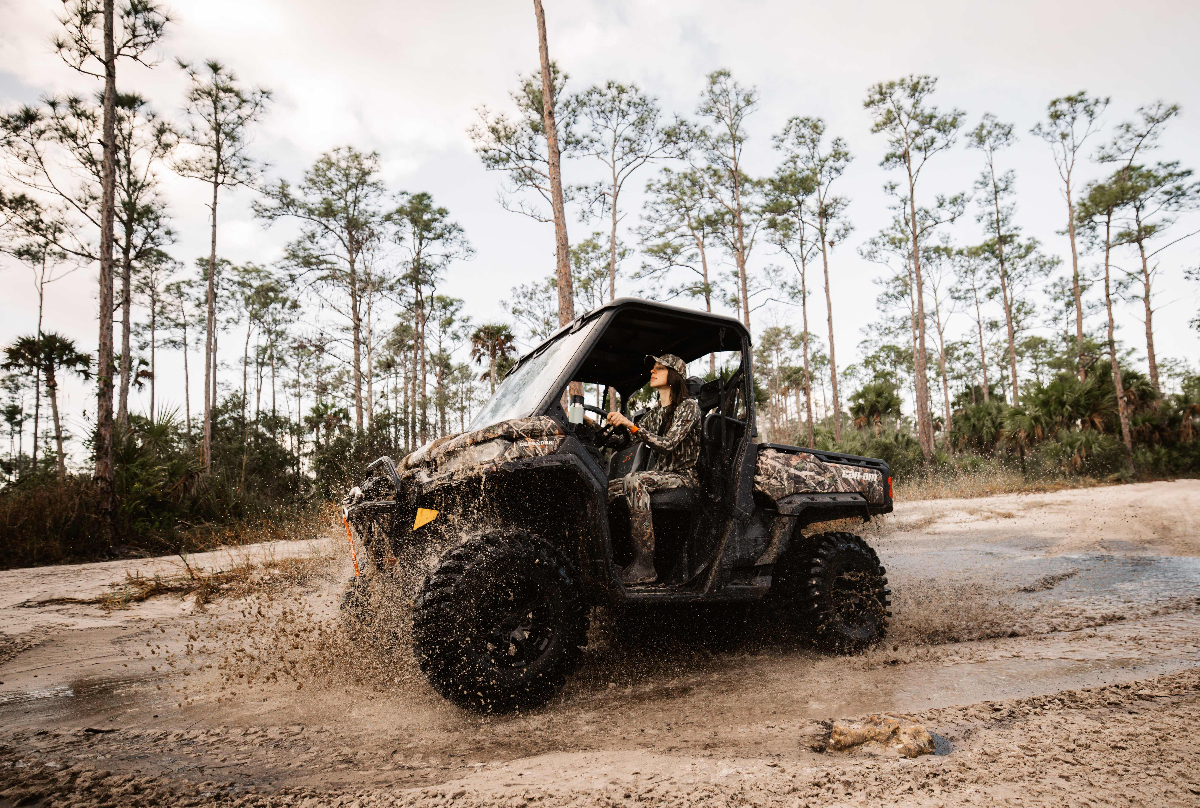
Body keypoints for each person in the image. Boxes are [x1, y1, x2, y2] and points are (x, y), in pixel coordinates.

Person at [604, 354, 701, 584]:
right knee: (603, 488)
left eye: (659, 368)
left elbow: (667, 445)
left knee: (635, 481)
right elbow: (629, 439)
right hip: (662, 476)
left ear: (673, 376)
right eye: (653, 368)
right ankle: (611, 558)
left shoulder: (688, 408)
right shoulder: (656, 411)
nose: (652, 372)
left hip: (683, 477)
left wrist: (632, 425)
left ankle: (645, 566)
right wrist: (601, 427)